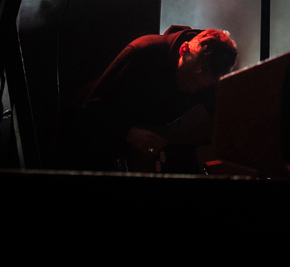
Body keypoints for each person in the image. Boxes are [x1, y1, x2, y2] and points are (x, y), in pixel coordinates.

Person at [70, 26, 238, 172]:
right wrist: (130, 133)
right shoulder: (142, 53)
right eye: (191, 79)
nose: (193, 90)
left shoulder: (209, 74)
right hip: (86, 147)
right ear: (183, 49)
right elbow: (90, 110)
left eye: (201, 87)